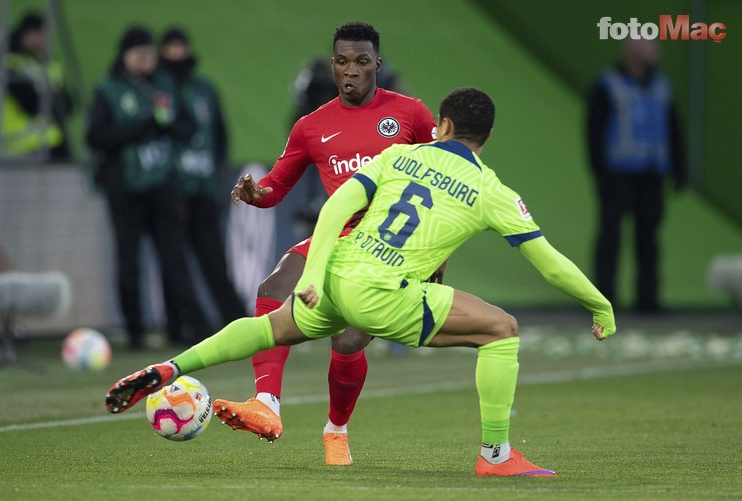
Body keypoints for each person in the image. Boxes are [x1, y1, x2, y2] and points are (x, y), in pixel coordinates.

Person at [104, 87, 617, 477]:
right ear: (487, 137)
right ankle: (496, 454)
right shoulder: (492, 189)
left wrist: (316, 273)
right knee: (502, 329)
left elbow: (335, 209)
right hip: (384, 293)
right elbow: (550, 264)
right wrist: (600, 306)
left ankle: (172, 367)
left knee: (268, 329)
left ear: (442, 125)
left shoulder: (400, 156)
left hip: (338, 272)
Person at [225, 22, 437, 465]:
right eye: (342, 61)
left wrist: (436, 254)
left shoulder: (412, 114)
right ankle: (267, 404)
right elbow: (276, 187)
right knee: (271, 289)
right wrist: (255, 195)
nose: (351, 71)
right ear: (332, 66)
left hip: (392, 247)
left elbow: (446, 176)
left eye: (362, 61)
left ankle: (336, 430)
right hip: (337, 237)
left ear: (377, 64)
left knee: (346, 342)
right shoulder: (311, 126)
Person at [86, 26, 208, 349]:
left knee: (173, 257)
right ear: (125, 56)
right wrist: (144, 125)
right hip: (124, 186)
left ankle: (181, 326)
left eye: (150, 55)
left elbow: (187, 128)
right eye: (139, 55)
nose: (146, 61)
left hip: (163, 184)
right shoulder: (109, 90)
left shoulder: (164, 86)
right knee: (128, 260)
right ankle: (135, 331)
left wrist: (166, 124)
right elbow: (96, 136)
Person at [586, 39, 686, 313]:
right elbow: (594, 132)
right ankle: (603, 298)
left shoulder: (661, 87)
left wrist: (679, 168)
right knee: (610, 239)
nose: (655, 53)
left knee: (649, 239)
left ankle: (648, 299)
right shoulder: (608, 84)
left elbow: (674, 129)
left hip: (652, 174)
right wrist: (600, 173)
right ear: (632, 53)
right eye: (648, 48)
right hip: (618, 174)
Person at [158, 27, 247, 324]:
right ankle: (182, 323)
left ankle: (234, 318)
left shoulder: (205, 89)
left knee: (213, 258)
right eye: (171, 47)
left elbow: (220, 134)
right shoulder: (157, 90)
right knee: (174, 261)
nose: (177, 53)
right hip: (171, 189)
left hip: (204, 186)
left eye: (180, 46)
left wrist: (216, 172)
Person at [1, 12, 72, 160]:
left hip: (53, 143)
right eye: (38, 33)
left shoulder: (50, 65)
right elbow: (30, 104)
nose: (43, 38)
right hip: (20, 147)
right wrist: (52, 96)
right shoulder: (10, 64)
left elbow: (68, 104)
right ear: (25, 35)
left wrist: (45, 96)